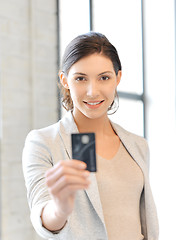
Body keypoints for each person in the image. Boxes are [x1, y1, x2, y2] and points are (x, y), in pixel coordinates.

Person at [22, 32, 159, 240]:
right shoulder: (43, 142)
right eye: (80, 79)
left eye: (104, 77)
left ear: (118, 78)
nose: (93, 91)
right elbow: (41, 216)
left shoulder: (138, 145)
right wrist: (59, 209)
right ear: (65, 80)